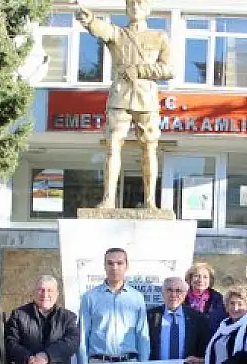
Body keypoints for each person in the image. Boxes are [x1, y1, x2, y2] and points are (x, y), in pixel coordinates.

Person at [74, 0, 173, 210]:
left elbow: (168, 69)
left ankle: (150, 202)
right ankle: (109, 199)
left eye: (139, 4)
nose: (134, 8)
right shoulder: (118, 33)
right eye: (131, 4)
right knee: (112, 146)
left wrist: (140, 71)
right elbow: (102, 29)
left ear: (147, 9)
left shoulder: (159, 37)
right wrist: (89, 19)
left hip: (146, 99)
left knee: (149, 149)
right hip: (120, 97)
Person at [185, 261, 227, 335]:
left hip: (209, 341)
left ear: (210, 280)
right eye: (196, 276)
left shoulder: (219, 299)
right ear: (190, 278)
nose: (201, 280)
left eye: (205, 277)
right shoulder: (181, 298)